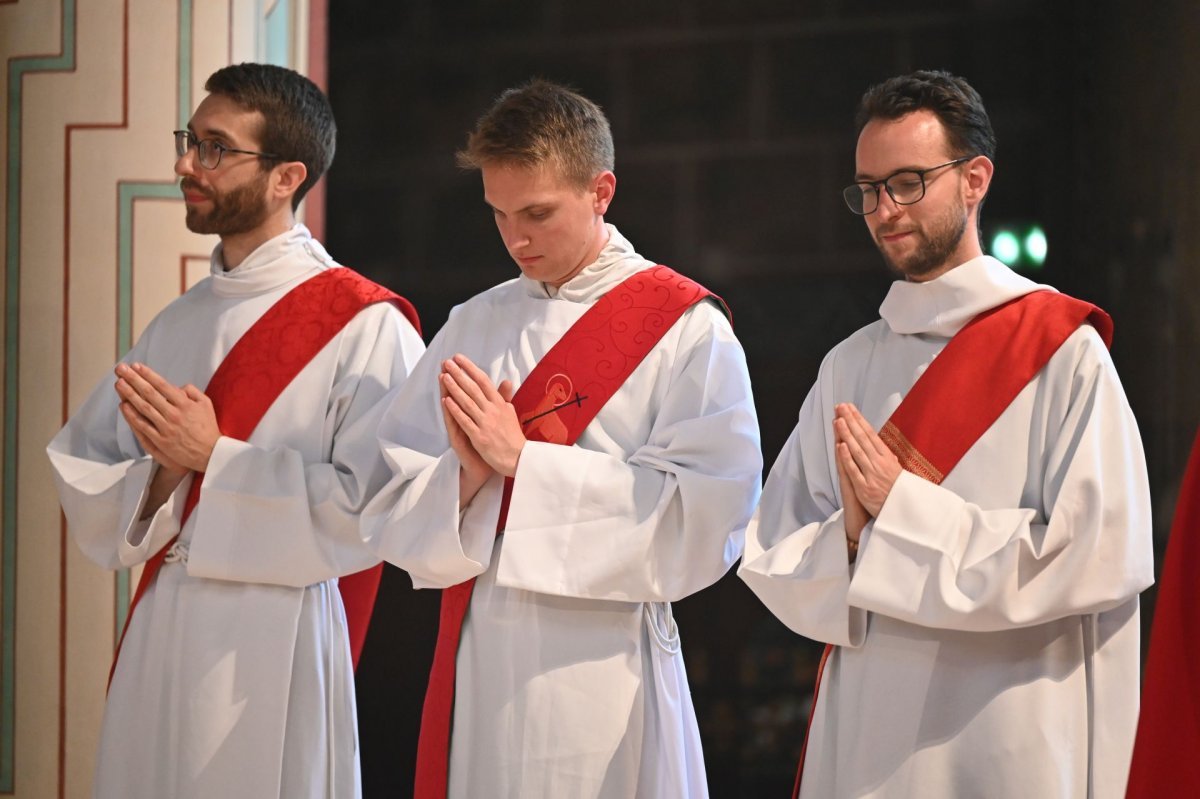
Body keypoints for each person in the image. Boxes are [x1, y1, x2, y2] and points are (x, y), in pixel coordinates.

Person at [738, 70, 1153, 798]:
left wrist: (900, 514)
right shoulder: (850, 365)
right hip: (874, 736)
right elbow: (772, 547)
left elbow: (1101, 550)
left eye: (907, 182)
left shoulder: (1060, 349)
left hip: (1012, 728)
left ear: (974, 179)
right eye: (867, 189)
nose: (883, 209)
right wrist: (851, 540)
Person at [361, 79, 762, 798]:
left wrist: (525, 463)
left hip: (606, 668)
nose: (516, 238)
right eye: (499, 214)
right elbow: (386, 496)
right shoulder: (474, 324)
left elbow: (709, 517)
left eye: (538, 213)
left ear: (601, 190)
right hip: (483, 659)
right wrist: (467, 478)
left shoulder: (685, 328)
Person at [47, 63, 424, 798]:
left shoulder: (363, 324)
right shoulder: (179, 320)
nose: (187, 164)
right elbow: (89, 467)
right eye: (190, 140)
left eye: (216, 148)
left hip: (274, 639)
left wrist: (214, 459)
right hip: (164, 627)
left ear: (287, 177)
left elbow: (380, 508)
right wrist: (161, 474)